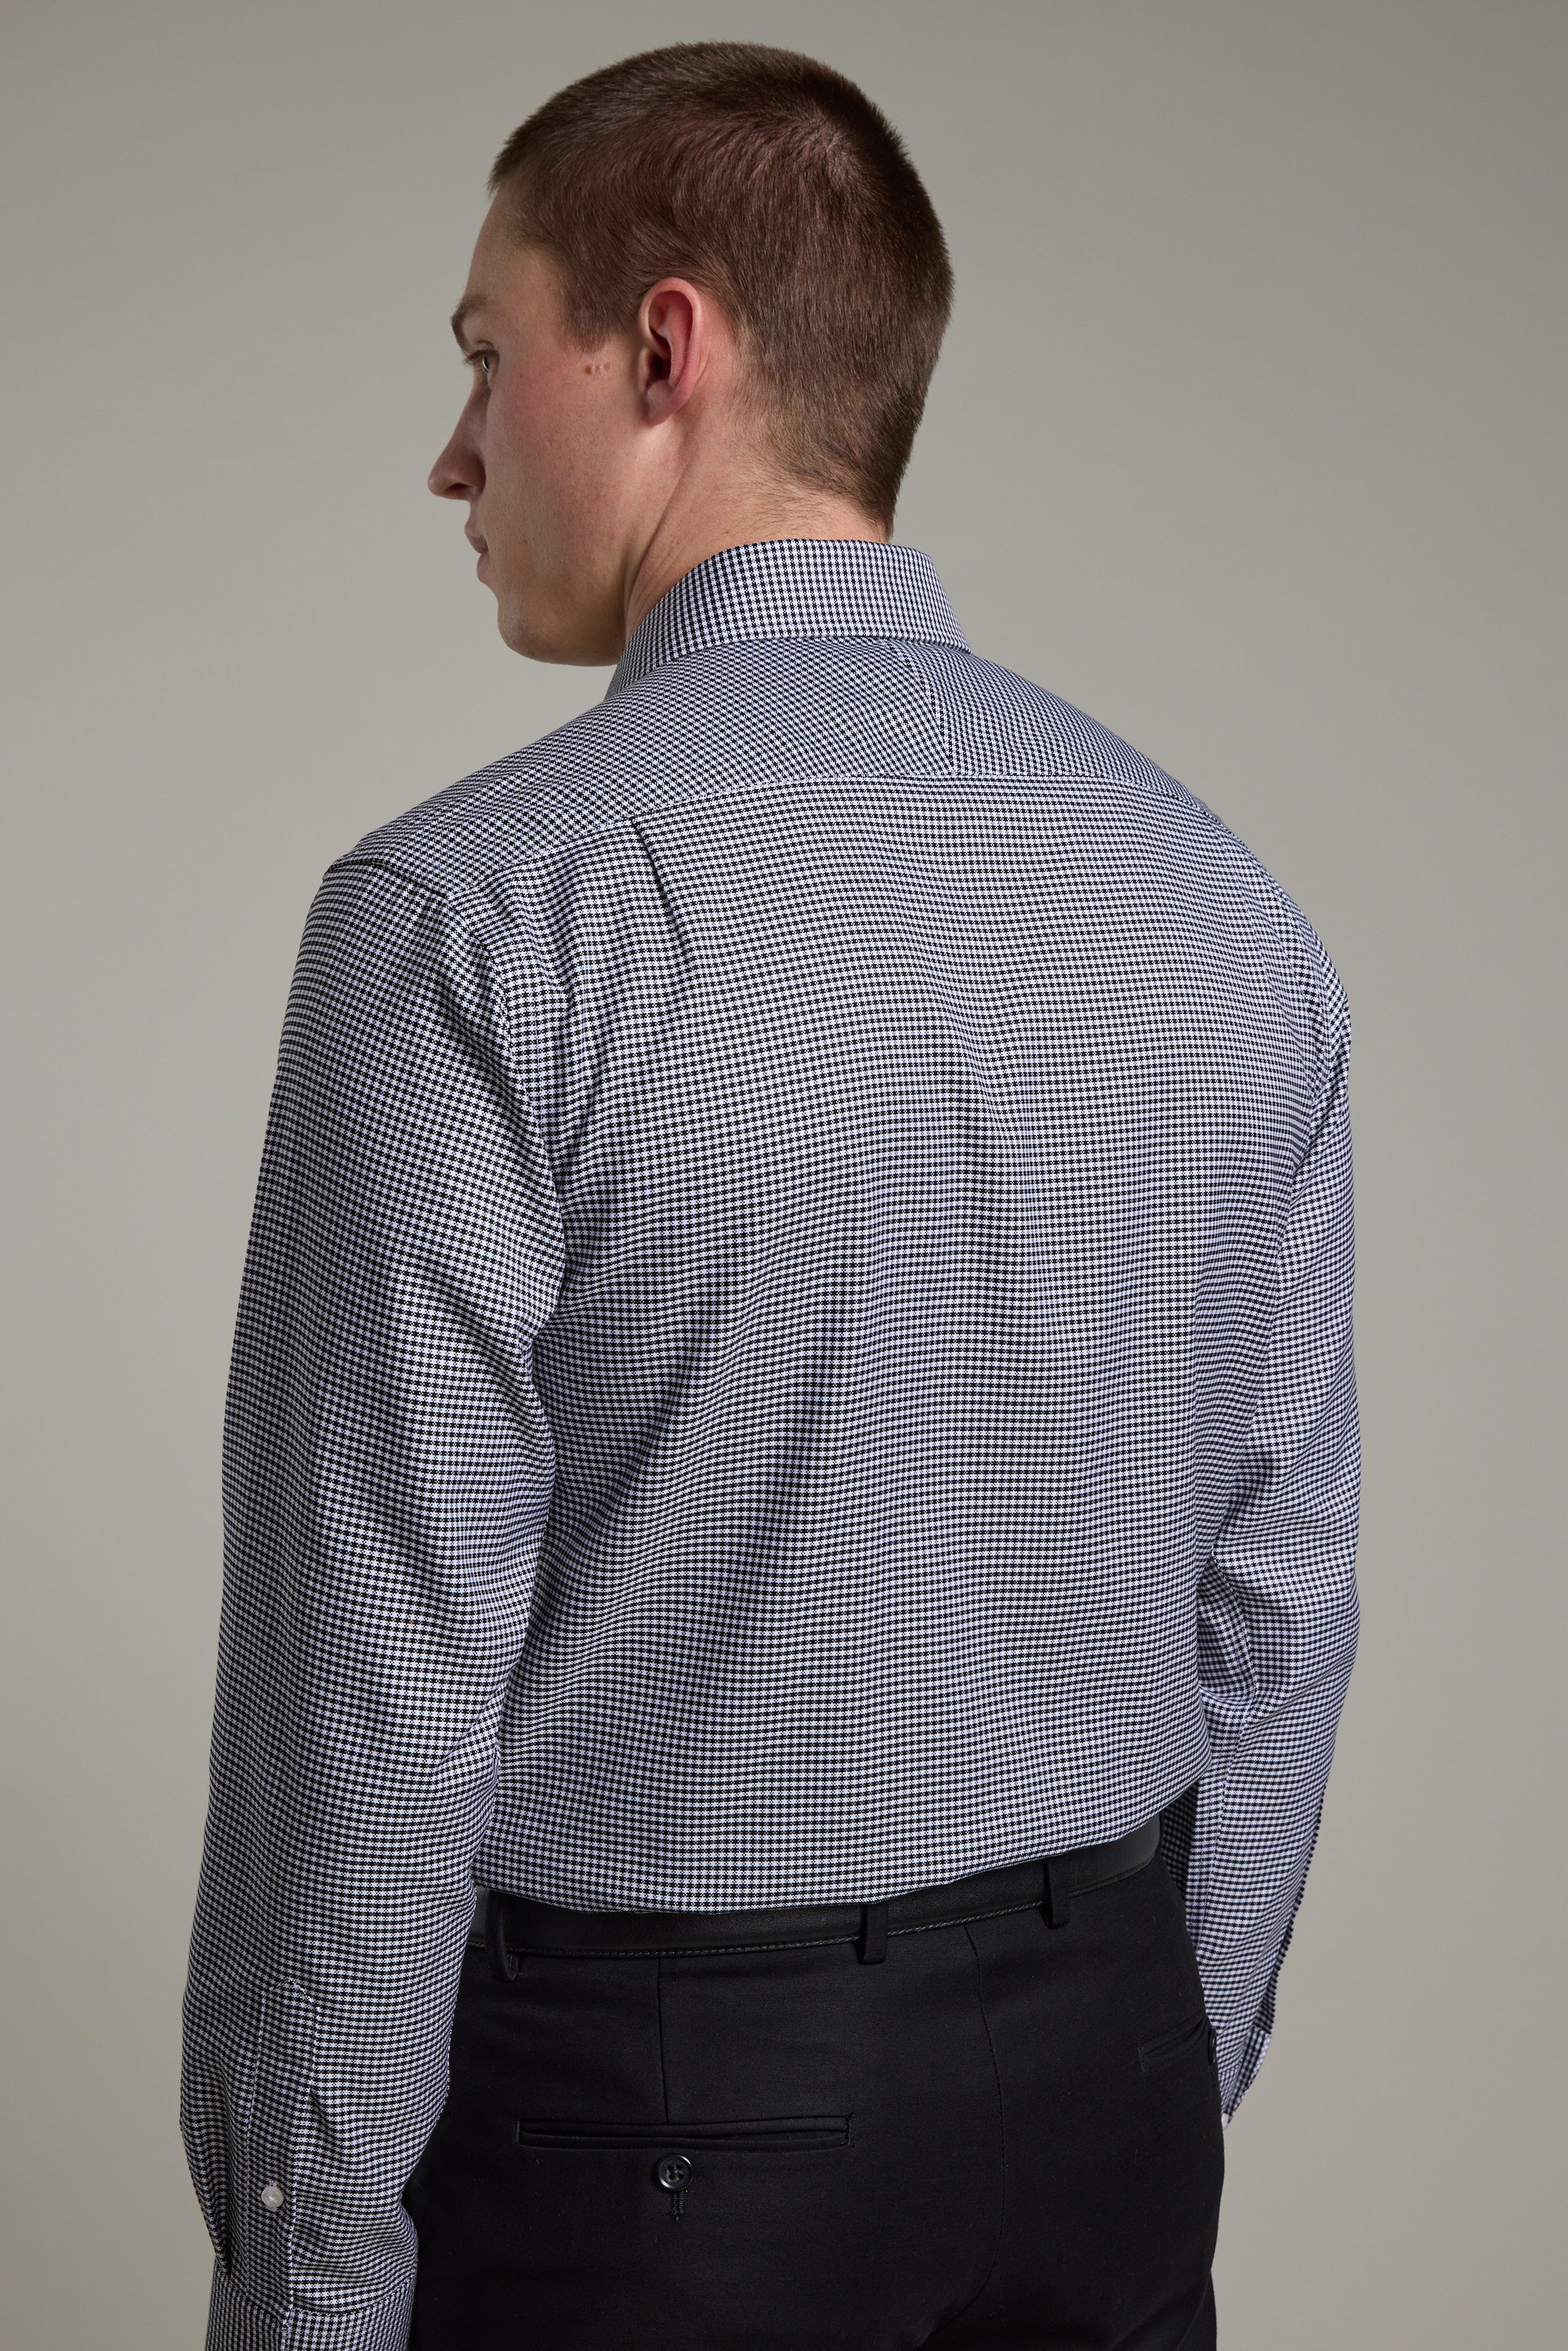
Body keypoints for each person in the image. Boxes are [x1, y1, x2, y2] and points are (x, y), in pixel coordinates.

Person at [180, 41, 1359, 2351]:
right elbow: (1281, 1596)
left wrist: (306, 2293)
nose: (449, 448)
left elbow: (376, 1701)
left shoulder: (465, 914)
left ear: (664, 348)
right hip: (1104, 2102)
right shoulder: (1219, 899)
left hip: (652, 2159)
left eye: (482, 357)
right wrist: (1149, 2066)